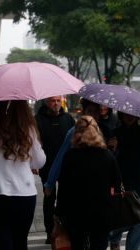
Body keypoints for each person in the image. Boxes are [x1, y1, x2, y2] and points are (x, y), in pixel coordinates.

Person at [0, 100, 46, 249]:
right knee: (20, 241)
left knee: (0, 243)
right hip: (24, 195)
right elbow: (40, 162)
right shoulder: (29, 130)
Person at [55, 115, 120, 250]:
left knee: (77, 244)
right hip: (101, 213)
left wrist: (58, 212)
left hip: (75, 213)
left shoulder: (70, 157)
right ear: (97, 131)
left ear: (76, 133)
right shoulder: (107, 156)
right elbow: (117, 183)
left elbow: (63, 188)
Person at [44, 99, 116, 194]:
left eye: (96, 111)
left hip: (99, 183)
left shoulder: (106, 131)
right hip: (77, 182)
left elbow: (111, 160)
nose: (93, 115)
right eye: (90, 111)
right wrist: (50, 183)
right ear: (84, 112)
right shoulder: (74, 132)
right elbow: (61, 157)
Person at [109, 112, 140, 250]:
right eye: (125, 114)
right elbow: (108, 160)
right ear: (120, 115)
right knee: (118, 223)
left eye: (132, 113)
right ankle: (114, 239)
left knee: (139, 228)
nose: (129, 116)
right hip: (121, 187)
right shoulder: (114, 134)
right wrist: (113, 148)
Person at [35, 96, 75, 244]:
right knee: (49, 199)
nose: (56, 103)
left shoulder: (68, 118)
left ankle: (65, 229)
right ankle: (49, 231)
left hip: (66, 166)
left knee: (65, 199)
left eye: (58, 100)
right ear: (46, 102)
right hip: (47, 165)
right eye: (53, 101)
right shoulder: (38, 119)